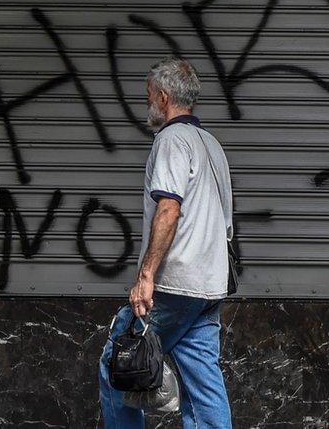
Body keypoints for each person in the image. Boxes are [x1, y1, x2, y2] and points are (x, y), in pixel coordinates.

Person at [99, 56, 234, 428]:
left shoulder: (171, 140)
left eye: (148, 96)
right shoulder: (212, 145)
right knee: (204, 388)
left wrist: (146, 276)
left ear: (162, 97)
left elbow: (169, 209)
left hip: (175, 285)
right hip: (209, 286)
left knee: (118, 363)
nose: (148, 105)